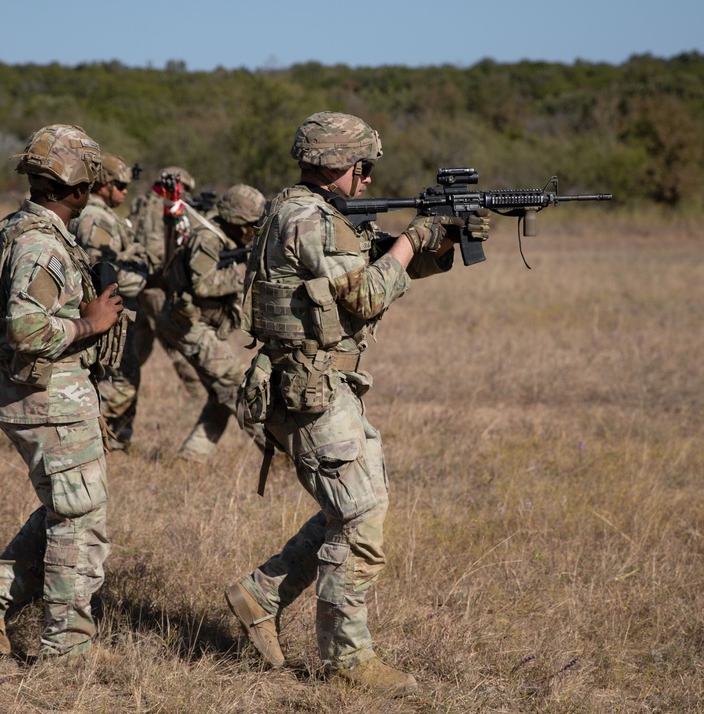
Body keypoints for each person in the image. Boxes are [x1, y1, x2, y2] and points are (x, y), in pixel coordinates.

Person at [224, 112, 489, 696]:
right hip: (310, 387)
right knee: (361, 522)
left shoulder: (294, 210)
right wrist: (415, 236)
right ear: (337, 164)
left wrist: (436, 242)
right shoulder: (312, 221)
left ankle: (259, 596)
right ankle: (347, 661)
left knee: (347, 510)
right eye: (362, 167)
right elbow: (367, 295)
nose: (368, 179)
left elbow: (367, 275)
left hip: (309, 384)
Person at [0, 124, 124, 660]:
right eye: (89, 184)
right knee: (79, 520)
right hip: (46, 398)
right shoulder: (40, 246)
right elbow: (28, 331)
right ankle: (67, 647)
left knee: (68, 507)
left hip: (36, 396)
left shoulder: (18, 229)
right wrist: (89, 326)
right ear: (77, 189)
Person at [156, 184, 269, 461]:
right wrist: (243, 279)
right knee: (238, 387)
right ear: (237, 221)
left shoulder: (224, 237)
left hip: (197, 325)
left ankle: (190, 457)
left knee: (223, 395)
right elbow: (203, 285)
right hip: (188, 325)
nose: (253, 232)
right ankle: (277, 453)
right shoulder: (208, 238)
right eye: (252, 226)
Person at [68, 153, 147, 450]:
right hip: (107, 312)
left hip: (109, 312)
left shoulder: (100, 214)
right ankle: (97, 438)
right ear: (103, 184)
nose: (126, 191)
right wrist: (142, 275)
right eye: (120, 184)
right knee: (120, 379)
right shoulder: (96, 218)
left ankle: (114, 440)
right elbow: (103, 273)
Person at [128, 166, 207, 397]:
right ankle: (199, 395)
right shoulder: (167, 207)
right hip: (159, 286)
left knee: (139, 343)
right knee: (176, 342)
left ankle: (119, 384)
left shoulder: (141, 203)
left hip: (140, 283)